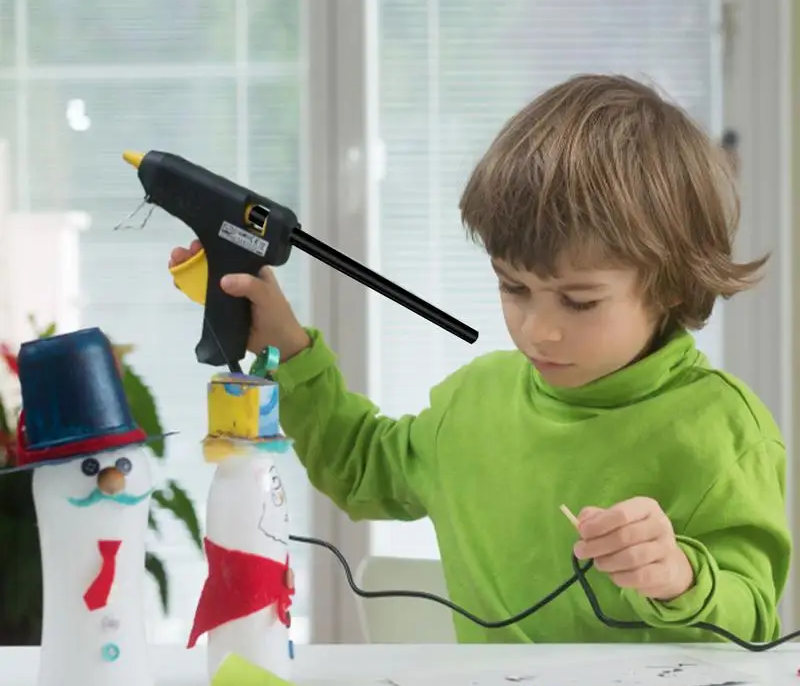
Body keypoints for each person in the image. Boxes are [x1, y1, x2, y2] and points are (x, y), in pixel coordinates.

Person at [169, 73, 790, 644]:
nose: (538, 332)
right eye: (513, 288)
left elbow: (754, 615)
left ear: (672, 285)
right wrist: (291, 349)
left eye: (579, 302)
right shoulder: (475, 401)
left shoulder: (726, 432)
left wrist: (682, 575)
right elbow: (359, 469)